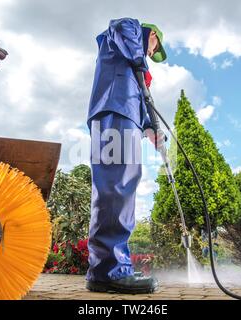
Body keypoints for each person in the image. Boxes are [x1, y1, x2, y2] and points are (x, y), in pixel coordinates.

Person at [86, 17, 167, 294]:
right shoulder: (128, 29)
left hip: (127, 116)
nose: (150, 54)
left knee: (124, 185)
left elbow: (143, 104)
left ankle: (107, 268)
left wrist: (152, 129)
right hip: (114, 110)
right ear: (151, 34)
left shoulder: (136, 69)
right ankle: (109, 270)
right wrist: (141, 60)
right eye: (153, 47)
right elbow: (119, 27)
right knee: (116, 186)